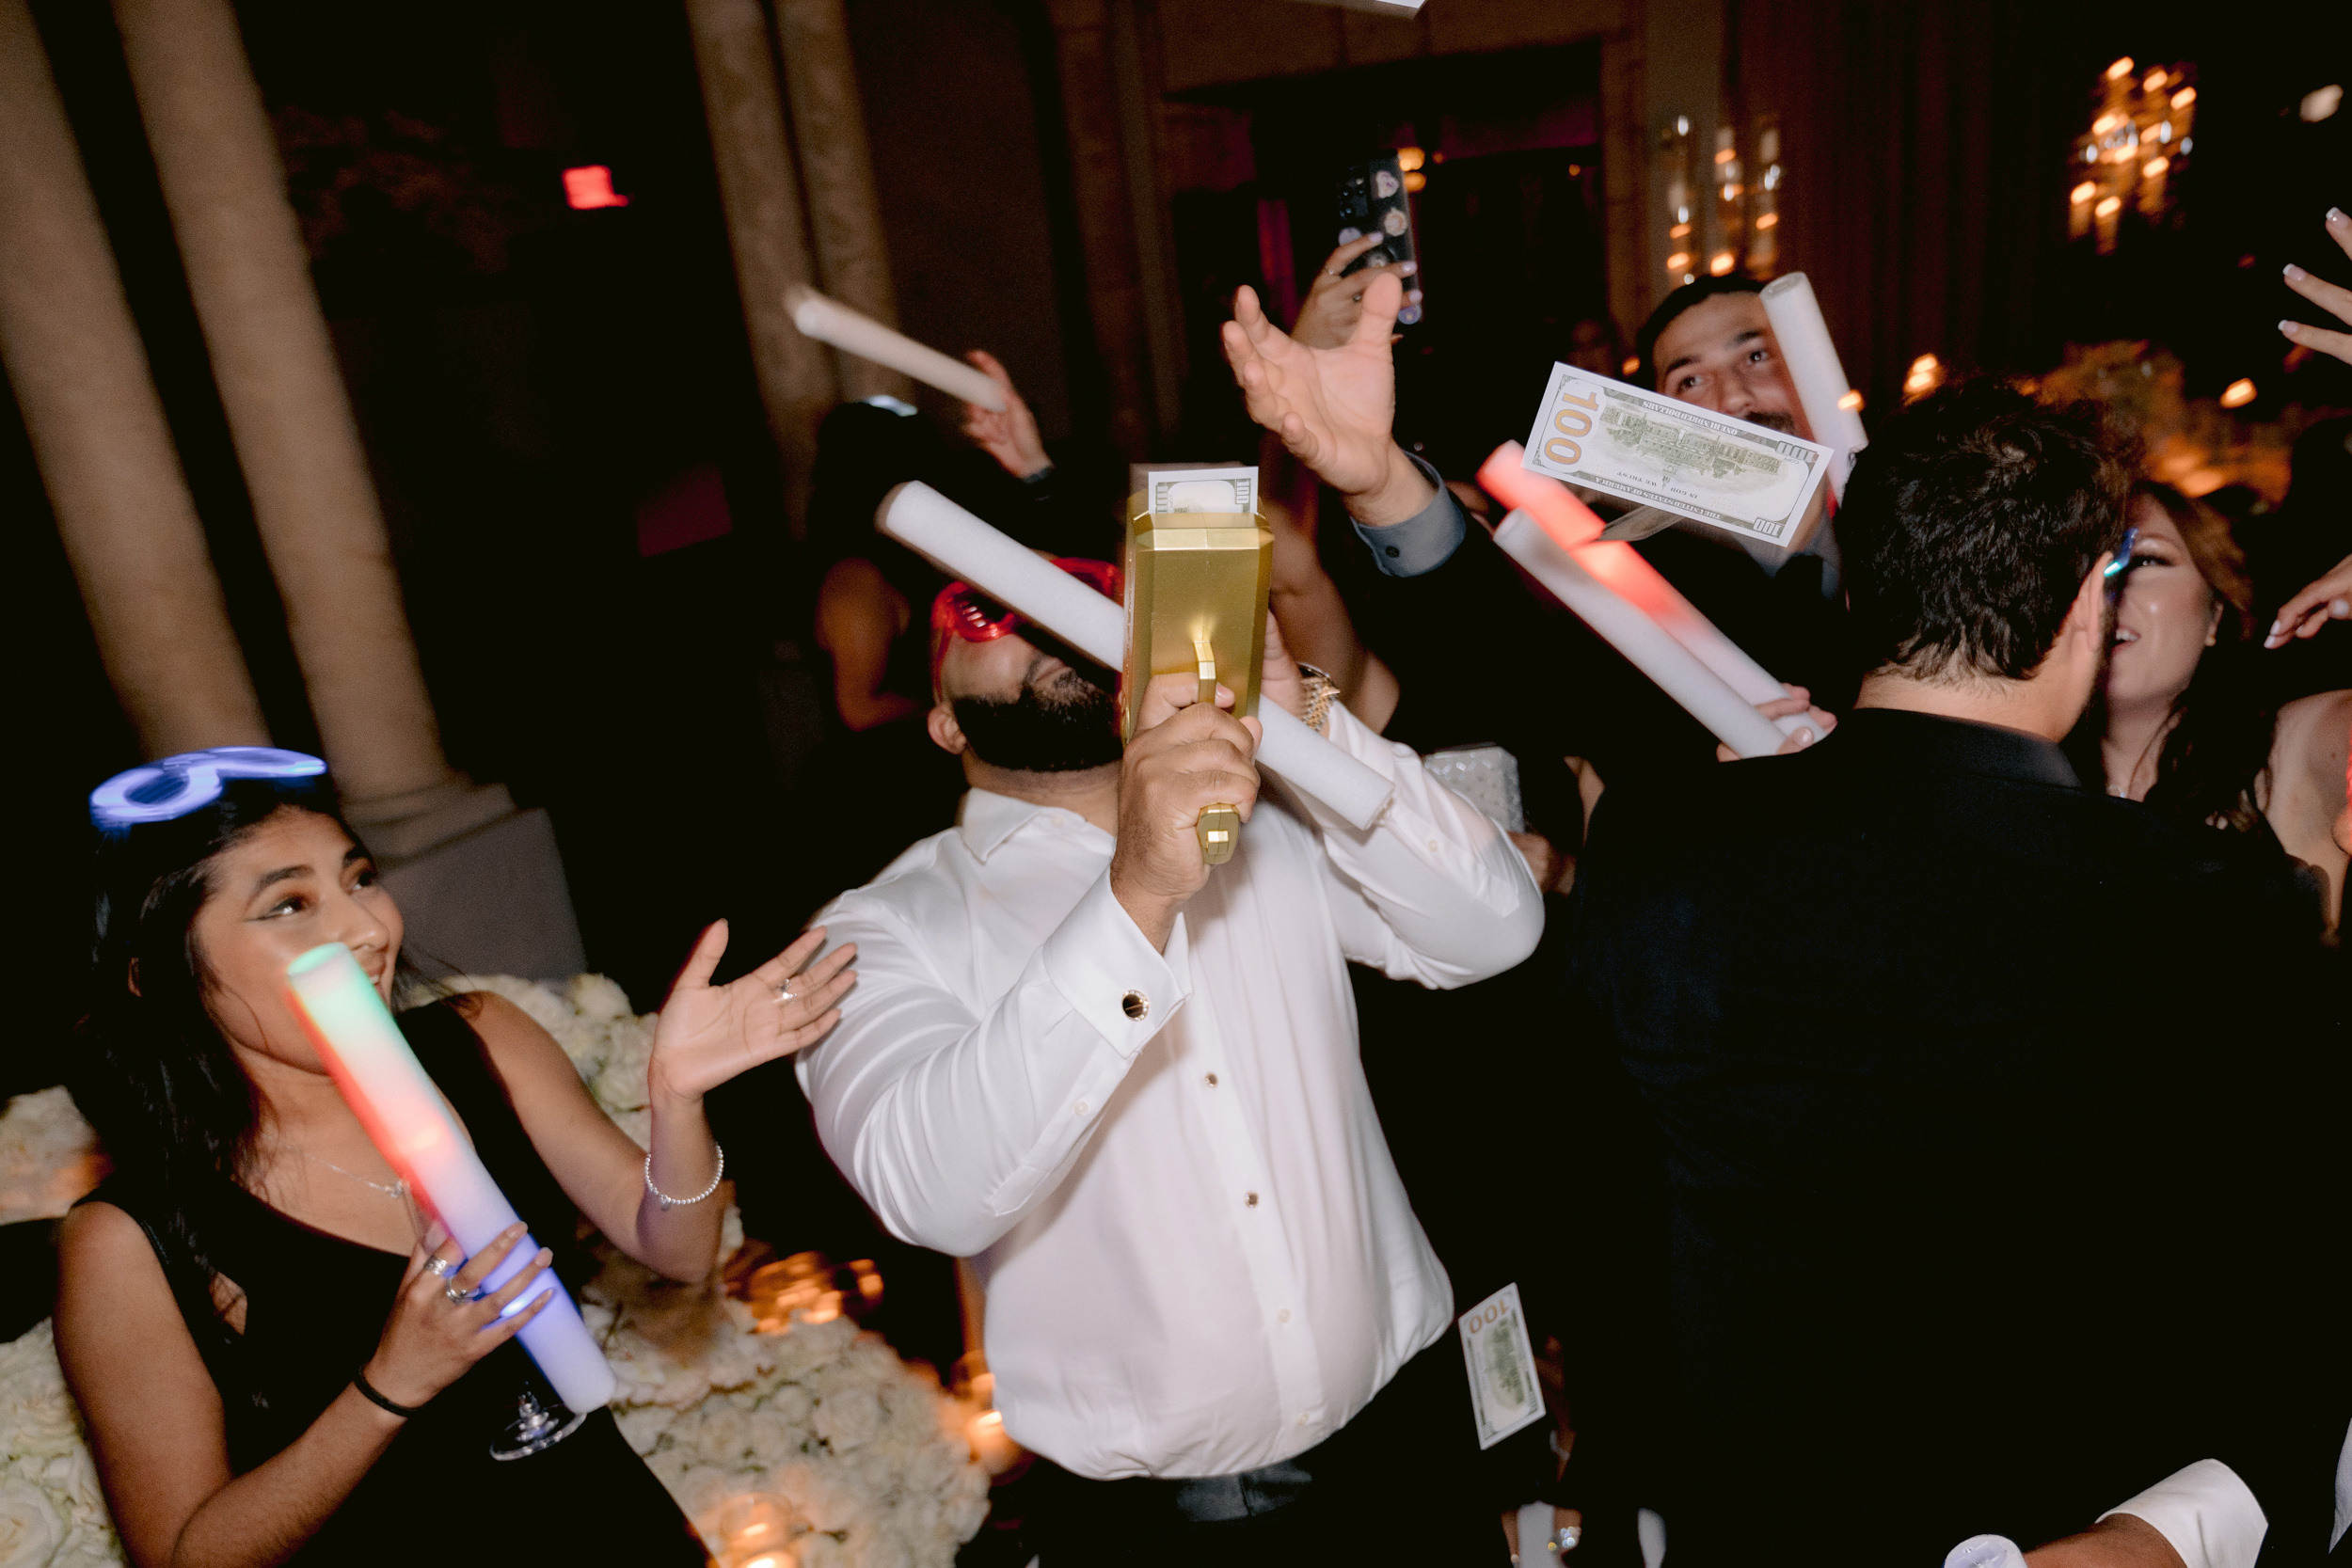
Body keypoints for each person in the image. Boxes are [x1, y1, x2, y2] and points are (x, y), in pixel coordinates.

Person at [1568, 381, 2344, 1568]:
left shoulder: (1653, 840)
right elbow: (2294, 1293)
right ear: (2084, 607)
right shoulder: (2226, 914)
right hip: (2075, 1519)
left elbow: (1606, 1222)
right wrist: (2168, 1531)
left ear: (1859, 591)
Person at [791, 562, 1548, 1564]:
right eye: (987, 608)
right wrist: (1138, 891)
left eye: (1078, 590)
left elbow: (1495, 928)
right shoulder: (880, 930)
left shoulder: (1269, 830)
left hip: (1414, 1461)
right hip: (1159, 1534)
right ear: (941, 717)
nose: (1044, 615)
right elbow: (929, 1188)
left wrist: (1301, 714)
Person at [56, 749, 855, 1568]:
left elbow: (679, 1252)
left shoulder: (483, 1039)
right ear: (159, 972)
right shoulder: (127, 1240)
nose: (369, 929)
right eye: (289, 903)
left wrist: (677, 1095)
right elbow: (184, 1555)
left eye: (360, 878)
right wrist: (388, 1386)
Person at [2071, 482, 2352, 927]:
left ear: (2215, 614)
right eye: (2088, 565)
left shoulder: (2290, 748)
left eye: (2145, 559)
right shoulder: (2013, 779)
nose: (2107, 588)